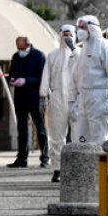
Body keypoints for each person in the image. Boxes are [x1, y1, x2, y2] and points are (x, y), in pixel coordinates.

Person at [70, 15, 108, 146]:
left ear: (92, 28)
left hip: (100, 98)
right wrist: (75, 99)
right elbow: (79, 75)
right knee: (82, 137)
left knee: (100, 136)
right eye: (79, 28)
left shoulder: (105, 47)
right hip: (84, 98)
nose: (79, 31)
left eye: (82, 27)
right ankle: (85, 166)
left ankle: (100, 166)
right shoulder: (84, 48)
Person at [40, 25, 77, 182]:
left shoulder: (79, 55)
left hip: (76, 99)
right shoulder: (52, 55)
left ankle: (76, 169)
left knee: (77, 136)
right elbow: (45, 77)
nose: (67, 38)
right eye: (64, 34)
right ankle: (58, 169)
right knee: (57, 137)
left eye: (70, 35)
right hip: (57, 99)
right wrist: (43, 96)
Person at [6, 36, 49, 169]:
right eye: (18, 48)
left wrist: (26, 81)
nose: (20, 51)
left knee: (40, 128)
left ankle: (45, 158)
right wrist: (12, 80)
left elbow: (43, 78)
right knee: (22, 129)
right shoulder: (16, 56)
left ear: (29, 45)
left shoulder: (39, 56)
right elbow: (11, 73)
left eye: (22, 48)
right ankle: (21, 159)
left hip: (35, 96)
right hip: (20, 97)